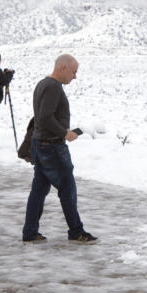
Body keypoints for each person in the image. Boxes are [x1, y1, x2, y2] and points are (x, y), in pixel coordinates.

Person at [21, 54, 96, 244]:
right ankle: (76, 231)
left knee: (38, 190)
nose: (75, 76)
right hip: (51, 147)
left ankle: (30, 232)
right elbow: (45, 117)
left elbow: (43, 117)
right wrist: (65, 133)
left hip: (41, 144)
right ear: (63, 68)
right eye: (73, 72)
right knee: (67, 189)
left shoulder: (42, 84)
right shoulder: (53, 87)